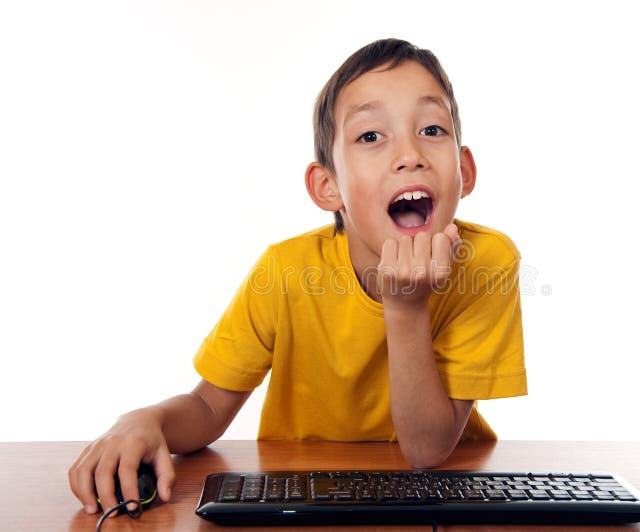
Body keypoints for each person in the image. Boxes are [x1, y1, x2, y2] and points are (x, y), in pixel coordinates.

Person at [69, 38, 527, 515]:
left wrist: (406, 306)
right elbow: (207, 409)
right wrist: (147, 420)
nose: (410, 155)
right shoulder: (285, 272)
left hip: (440, 498)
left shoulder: (486, 264)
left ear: (464, 171)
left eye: (432, 129)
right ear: (328, 186)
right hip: (302, 495)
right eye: (371, 136)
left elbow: (427, 452)